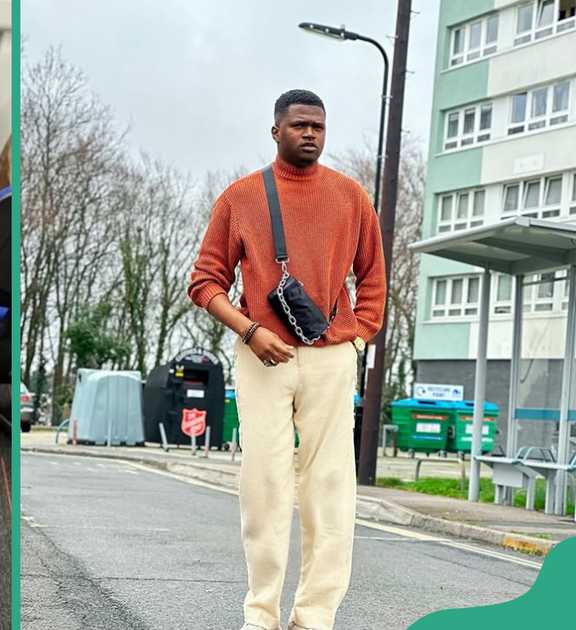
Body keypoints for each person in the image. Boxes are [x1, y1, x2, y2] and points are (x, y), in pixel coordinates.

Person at [187, 89, 386, 630]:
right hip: (261, 356)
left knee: (330, 487)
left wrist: (358, 339)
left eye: (319, 127)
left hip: (331, 358)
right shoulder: (241, 197)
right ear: (276, 130)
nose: (311, 134)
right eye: (300, 125)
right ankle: (261, 613)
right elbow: (205, 282)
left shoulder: (351, 198)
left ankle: (316, 615)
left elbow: (373, 276)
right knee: (264, 483)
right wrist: (250, 331)